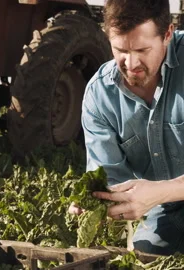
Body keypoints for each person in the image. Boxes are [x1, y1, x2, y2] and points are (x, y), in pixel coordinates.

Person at [69, 0, 184, 255]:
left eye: (142, 50)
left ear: (168, 34)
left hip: (165, 196)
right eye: (120, 49)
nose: (130, 64)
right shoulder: (100, 95)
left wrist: (163, 190)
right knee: (144, 255)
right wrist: (96, 201)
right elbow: (112, 180)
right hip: (164, 210)